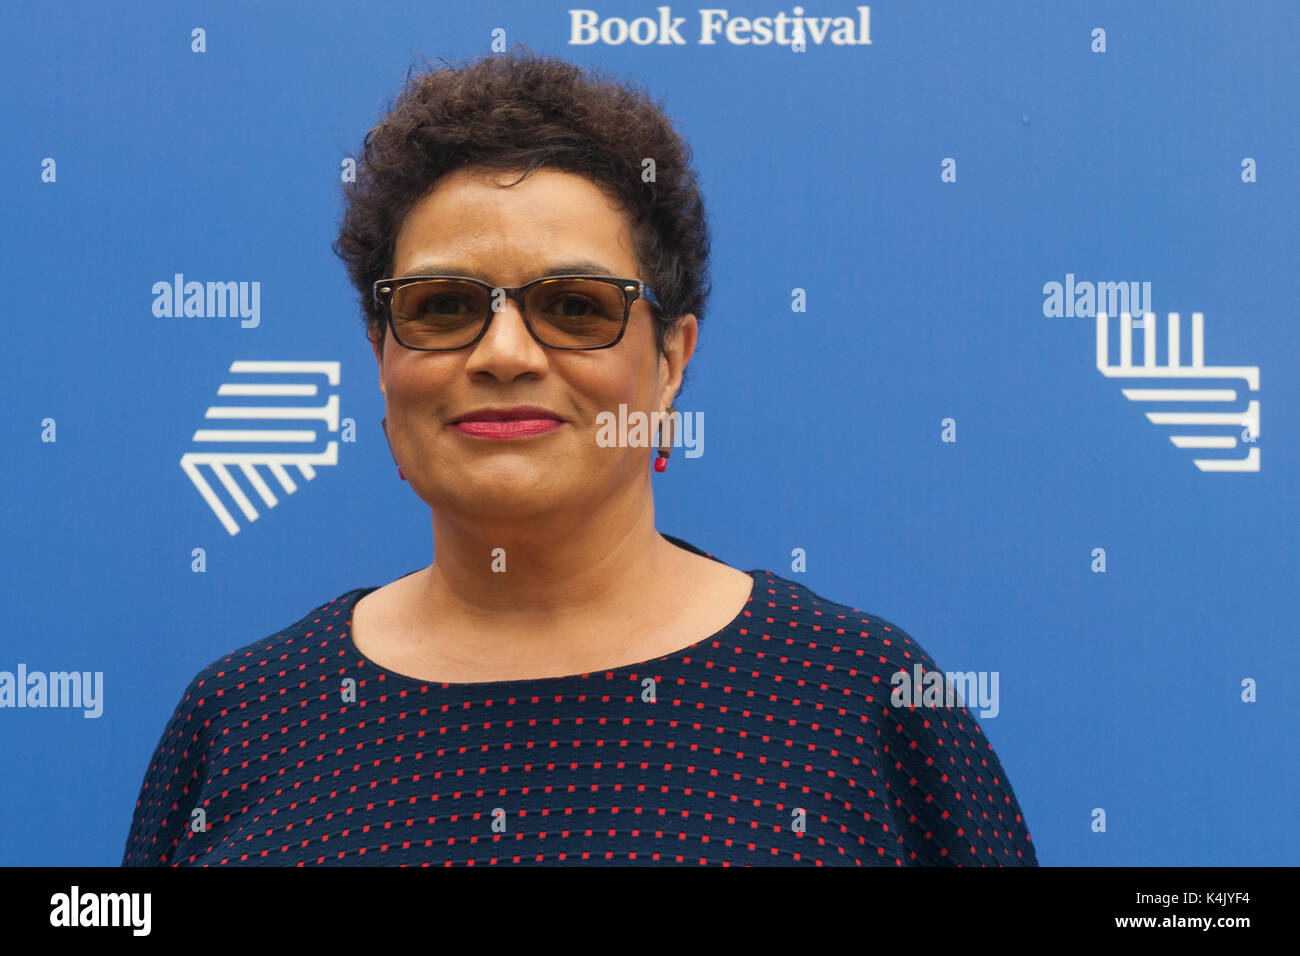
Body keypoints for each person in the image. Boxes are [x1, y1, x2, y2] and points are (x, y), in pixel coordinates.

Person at [122, 47, 1036, 866]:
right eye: (442, 306)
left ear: (670, 359)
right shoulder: (244, 717)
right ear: (381, 357)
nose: (504, 353)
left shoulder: (856, 700)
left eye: (576, 307)